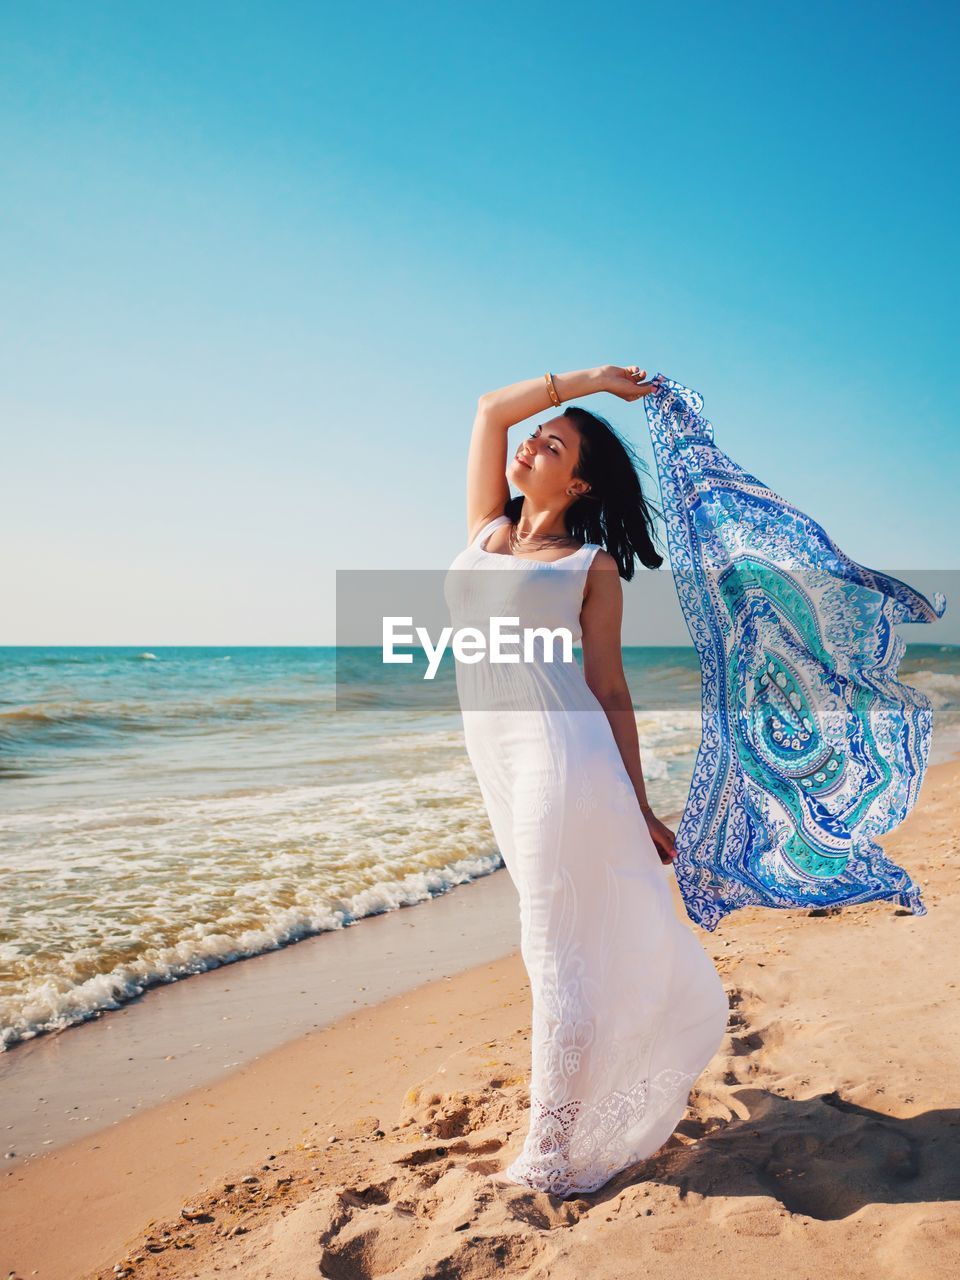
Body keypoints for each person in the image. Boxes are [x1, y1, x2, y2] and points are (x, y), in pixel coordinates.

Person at [443, 365, 730, 1197]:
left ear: (580, 482)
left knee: (550, 943)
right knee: (556, 942)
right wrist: (593, 384)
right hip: (499, 759)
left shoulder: (590, 565)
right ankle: (564, 1119)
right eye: (538, 435)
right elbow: (490, 406)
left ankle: (546, 1152)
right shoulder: (485, 532)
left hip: (560, 758)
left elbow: (608, 689)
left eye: (553, 441)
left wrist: (638, 804)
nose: (530, 440)